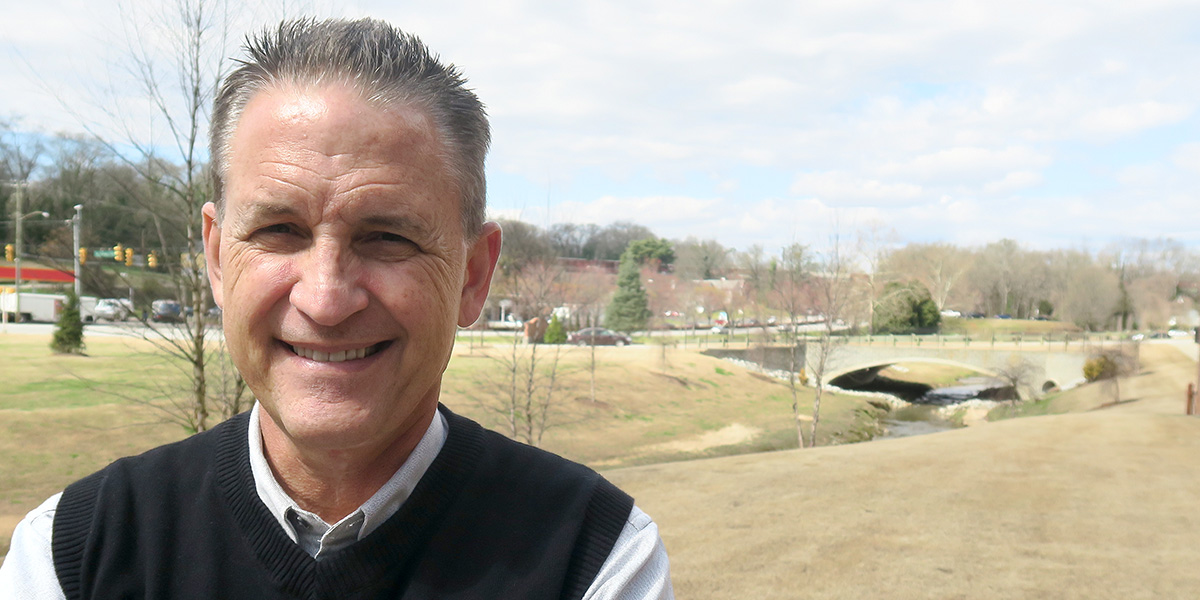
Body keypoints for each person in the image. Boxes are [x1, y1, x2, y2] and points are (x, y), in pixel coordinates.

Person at [0, 18, 673, 599]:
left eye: (387, 237)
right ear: (215, 258)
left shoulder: (596, 560)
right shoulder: (74, 556)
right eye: (278, 231)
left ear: (473, 276)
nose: (325, 299)